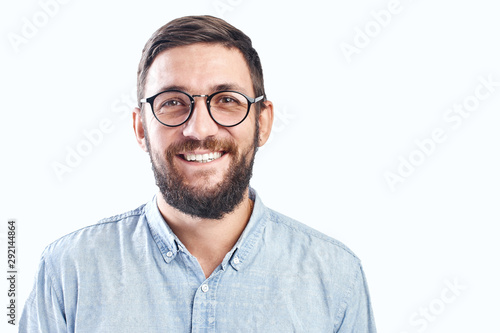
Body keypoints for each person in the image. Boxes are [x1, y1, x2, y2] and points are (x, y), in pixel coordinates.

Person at [20, 15, 377, 332]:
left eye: (227, 100)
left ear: (263, 122)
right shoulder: (68, 273)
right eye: (173, 102)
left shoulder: (335, 278)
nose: (199, 129)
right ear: (141, 128)